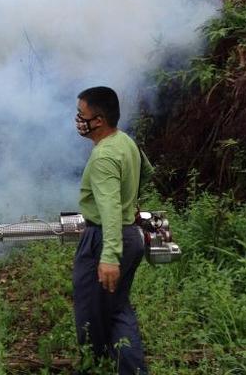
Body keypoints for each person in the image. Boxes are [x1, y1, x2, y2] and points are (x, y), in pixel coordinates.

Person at [73, 86, 152, 375]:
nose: (78, 120)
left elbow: (108, 210)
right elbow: (148, 170)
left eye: (82, 115)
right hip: (131, 234)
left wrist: (108, 256)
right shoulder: (125, 141)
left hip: (106, 238)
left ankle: (91, 366)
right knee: (118, 310)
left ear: (100, 120)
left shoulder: (104, 157)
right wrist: (132, 202)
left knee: (89, 313)